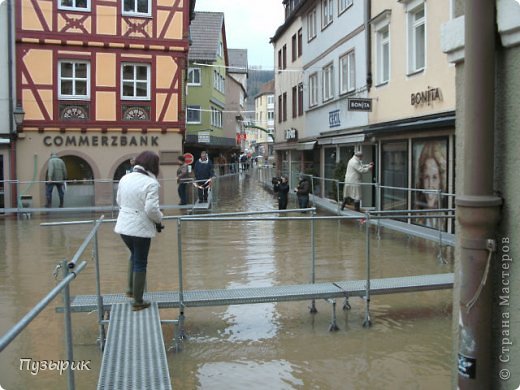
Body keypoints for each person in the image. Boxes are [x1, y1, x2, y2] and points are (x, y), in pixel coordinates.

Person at [114, 151, 163, 311]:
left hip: (123, 227)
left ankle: (130, 290)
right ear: (152, 165)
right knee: (141, 262)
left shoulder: (125, 178)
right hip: (140, 228)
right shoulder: (151, 183)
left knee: (134, 256)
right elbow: (151, 209)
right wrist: (159, 220)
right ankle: (138, 301)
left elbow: (119, 200)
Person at [415, 142, 447, 229]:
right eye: (426, 177)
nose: (430, 185)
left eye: (434, 178)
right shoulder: (418, 217)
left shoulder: (446, 218)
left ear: (441, 181)